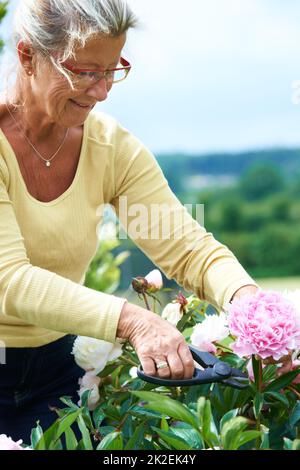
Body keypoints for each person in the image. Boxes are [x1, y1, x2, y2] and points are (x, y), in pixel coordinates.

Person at [0, 0, 258, 443]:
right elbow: (9, 281)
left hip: (56, 374)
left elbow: (187, 248)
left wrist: (254, 309)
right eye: (84, 72)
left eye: (111, 70)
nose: (102, 92)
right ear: (28, 57)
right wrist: (137, 321)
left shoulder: (110, 147)